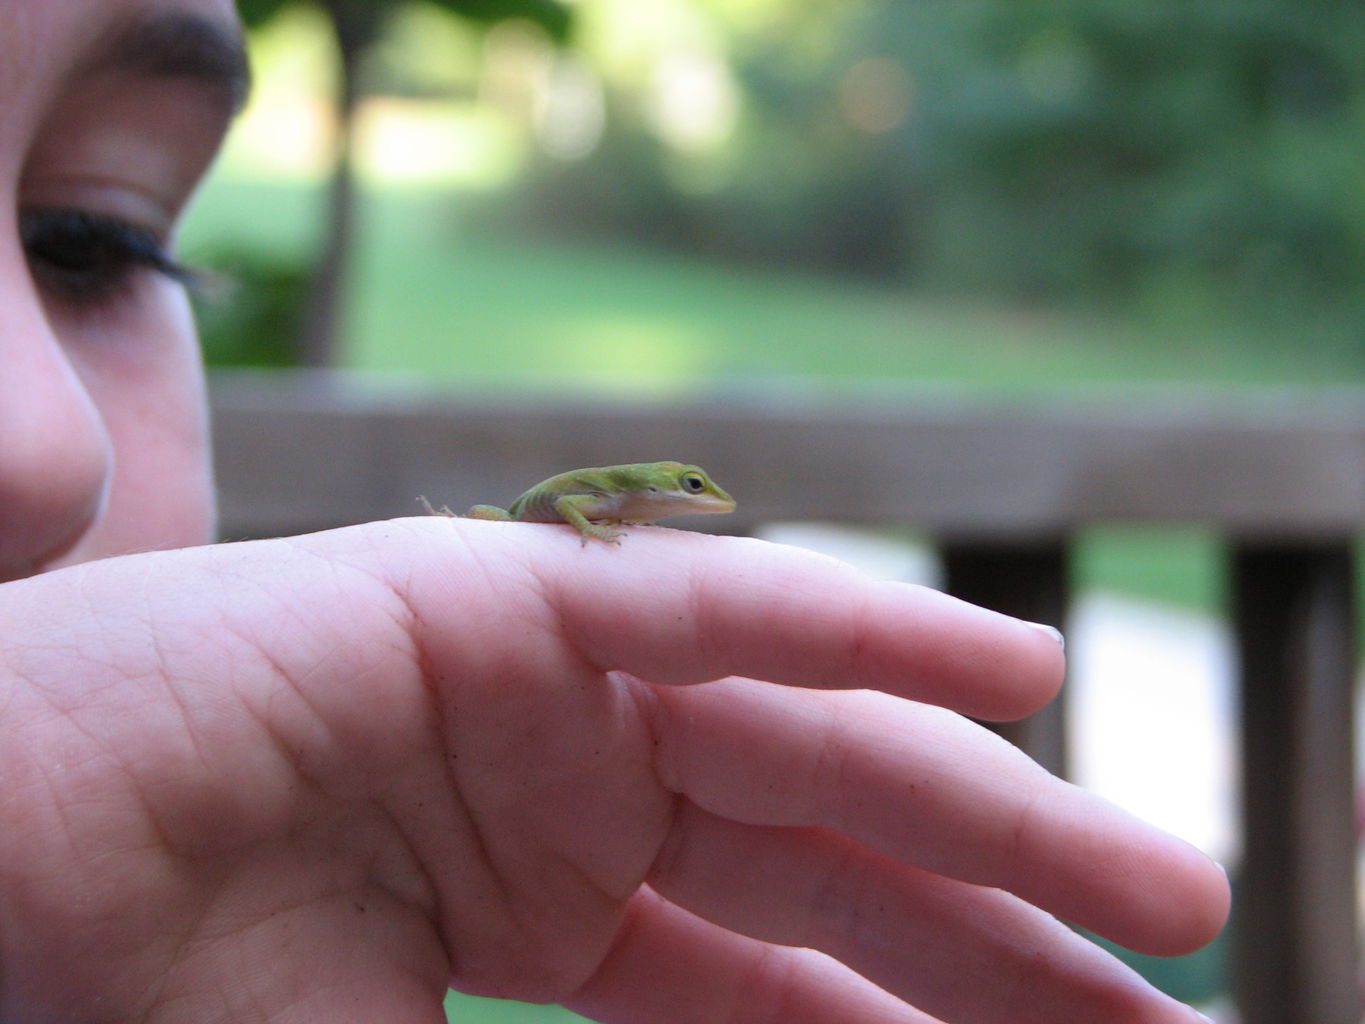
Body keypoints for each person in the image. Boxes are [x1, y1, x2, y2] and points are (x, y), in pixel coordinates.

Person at [0, 1, 1228, 1021]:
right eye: (86, 240)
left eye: (90, 241)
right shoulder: (602, 507)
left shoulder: (621, 506)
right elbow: (570, 511)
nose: (42, 446)